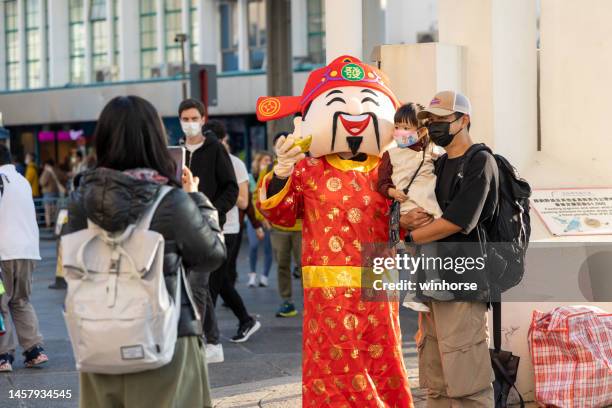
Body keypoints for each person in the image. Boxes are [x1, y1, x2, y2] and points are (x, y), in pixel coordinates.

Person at [256, 55, 414, 407]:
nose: (354, 116)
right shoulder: (307, 169)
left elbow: (409, 220)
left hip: (377, 272)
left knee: (381, 354)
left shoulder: (391, 168)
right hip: (326, 283)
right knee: (332, 363)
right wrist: (282, 172)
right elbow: (280, 213)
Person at [64, 95, 225, 408]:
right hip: (166, 339)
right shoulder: (170, 201)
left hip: (98, 338)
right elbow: (212, 255)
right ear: (154, 139)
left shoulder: (80, 200)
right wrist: (196, 198)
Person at [400, 90, 497, 407]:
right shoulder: (437, 164)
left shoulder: (480, 162)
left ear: (464, 120)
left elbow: (458, 221)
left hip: (464, 282)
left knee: (466, 374)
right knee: (435, 373)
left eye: (442, 120)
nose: (435, 127)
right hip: (431, 279)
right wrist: (410, 218)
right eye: (430, 120)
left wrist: (412, 238)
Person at [177, 99, 238, 364]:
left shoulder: (215, 149)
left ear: (203, 119)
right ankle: (212, 342)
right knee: (194, 288)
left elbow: (231, 188)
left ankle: (202, 342)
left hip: (209, 227)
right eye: (185, 118)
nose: (189, 123)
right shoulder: (175, 151)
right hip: (181, 228)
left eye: (194, 118)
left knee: (197, 284)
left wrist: (214, 210)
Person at [377, 102, 451, 312]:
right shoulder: (390, 155)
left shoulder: (432, 152)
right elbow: (381, 183)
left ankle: (414, 293)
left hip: (428, 205)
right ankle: (429, 286)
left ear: (421, 131)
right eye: (397, 126)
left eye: (406, 127)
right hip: (410, 207)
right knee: (426, 247)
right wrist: (393, 192)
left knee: (424, 249)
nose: (399, 132)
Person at [205, 120, 261, 344]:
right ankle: (245, 320)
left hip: (228, 230)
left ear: (220, 140)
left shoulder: (235, 164)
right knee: (218, 281)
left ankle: (208, 334)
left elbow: (244, 201)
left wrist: (220, 192)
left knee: (213, 283)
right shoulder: (204, 161)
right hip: (208, 227)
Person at [0, 144, 48, 372]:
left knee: (2, 304)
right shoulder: (22, 181)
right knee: (21, 301)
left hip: (3, 252)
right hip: (27, 252)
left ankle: (3, 356)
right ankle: (34, 350)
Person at [256, 132, 303, 318]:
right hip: (279, 230)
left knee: (305, 267)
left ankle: (311, 300)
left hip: (301, 228)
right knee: (282, 265)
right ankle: (287, 301)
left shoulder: (304, 167)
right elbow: (258, 195)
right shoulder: (269, 169)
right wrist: (264, 217)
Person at [247, 152, 273, 287]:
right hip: (253, 219)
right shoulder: (250, 178)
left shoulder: (272, 177)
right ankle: (252, 275)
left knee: (268, 248)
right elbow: (250, 200)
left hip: (268, 219)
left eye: (269, 160)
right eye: (265, 160)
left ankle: (264, 276)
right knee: (253, 246)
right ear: (258, 162)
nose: (268, 163)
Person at [39, 159, 67, 228]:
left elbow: (41, 182)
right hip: (57, 194)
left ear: (47, 165)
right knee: (55, 211)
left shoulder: (47, 172)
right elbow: (65, 177)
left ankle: (48, 226)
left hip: (48, 194)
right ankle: (55, 226)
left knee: (48, 212)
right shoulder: (57, 170)